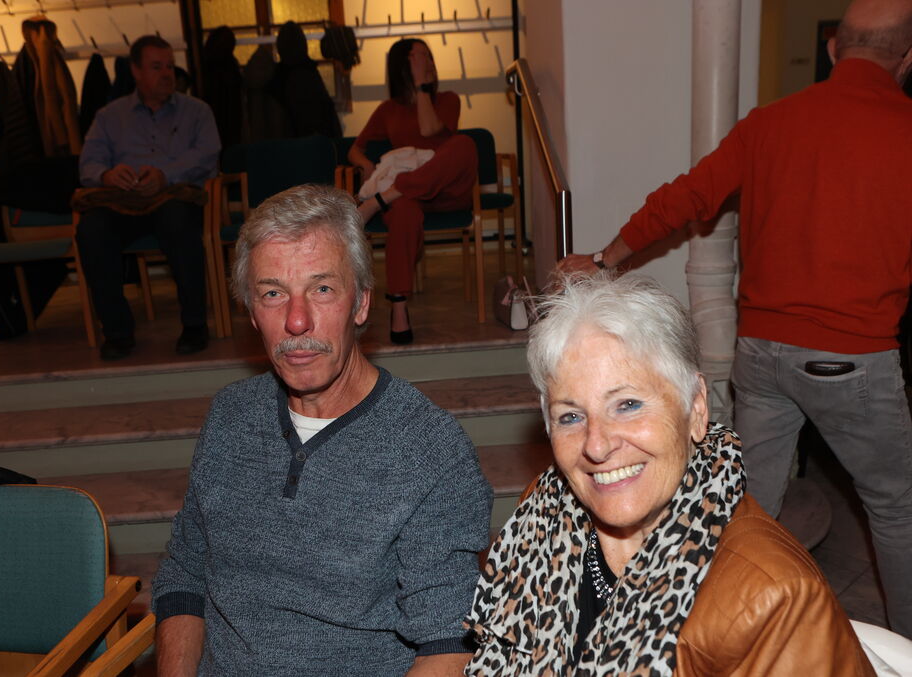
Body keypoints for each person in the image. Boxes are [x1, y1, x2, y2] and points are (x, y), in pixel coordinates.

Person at [560, 0, 912, 639]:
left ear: (834, 49)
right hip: (855, 361)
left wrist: (606, 258)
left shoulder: (771, 122)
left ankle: (717, 636)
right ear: (907, 60)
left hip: (763, 356)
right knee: (896, 511)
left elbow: (686, 196)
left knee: (745, 508)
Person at [151, 184, 492, 676]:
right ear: (252, 313)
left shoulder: (429, 450)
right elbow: (185, 575)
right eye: (273, 293)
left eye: (322, 289)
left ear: (361, 304)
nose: (296, 321)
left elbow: (448, 643)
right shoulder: (231, 416)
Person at [464, 273, 873, 675]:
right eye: (571, 416)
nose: (596, 446)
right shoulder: (542, 516)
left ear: (696, 407)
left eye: (628, 405)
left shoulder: (774, 599)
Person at [76, 35, 220, 360]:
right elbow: (88, 164)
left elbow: (208, 155)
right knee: (91, 229)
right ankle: (117, 332)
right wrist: (107, 175)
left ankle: (194, 324)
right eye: (157, 67)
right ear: (136, 71)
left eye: (169, 66)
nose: (167, 73)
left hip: (174, 197)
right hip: (123, 201)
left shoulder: (197, 111)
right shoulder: (109, 116)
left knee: (178, 220)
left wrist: (164, 175)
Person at [349, 38, 478, 345]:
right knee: (404, 211)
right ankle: (399, 306)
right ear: (402, 65)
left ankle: (381, 199)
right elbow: (355, 148)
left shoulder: (447, 99)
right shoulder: (388, 110)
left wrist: (422, 87)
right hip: (408, 198)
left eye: (428, 56)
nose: (428, 62)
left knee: (464, 145)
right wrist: (366, 165)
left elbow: (429, 129)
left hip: (446, 192)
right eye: (419, 57)